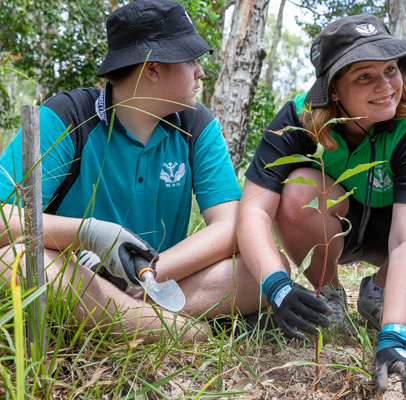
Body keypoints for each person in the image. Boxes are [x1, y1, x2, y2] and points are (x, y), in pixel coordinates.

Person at [238, 14, 406, 395]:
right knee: (297, 190)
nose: (386, 86)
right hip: (332, 227)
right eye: (364, 76)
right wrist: (277, 286)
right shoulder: (298, 118)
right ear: (334, 90)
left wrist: (395, 338)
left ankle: (378, 293)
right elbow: (253, 210)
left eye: (391, 70)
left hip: (395, 228)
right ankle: (327, 293)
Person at [0, 0, 263, 343]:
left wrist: (150, 273)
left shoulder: (199, 127)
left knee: (260, 269)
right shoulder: (65, 117)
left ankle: (123, 322)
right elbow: (5, 218)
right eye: (191, 61)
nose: (200, 72)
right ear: (153, 70)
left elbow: (231, 227)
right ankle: (183, 332)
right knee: (11, 262)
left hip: (159, 282)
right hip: (78, 277)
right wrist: (88, 233)